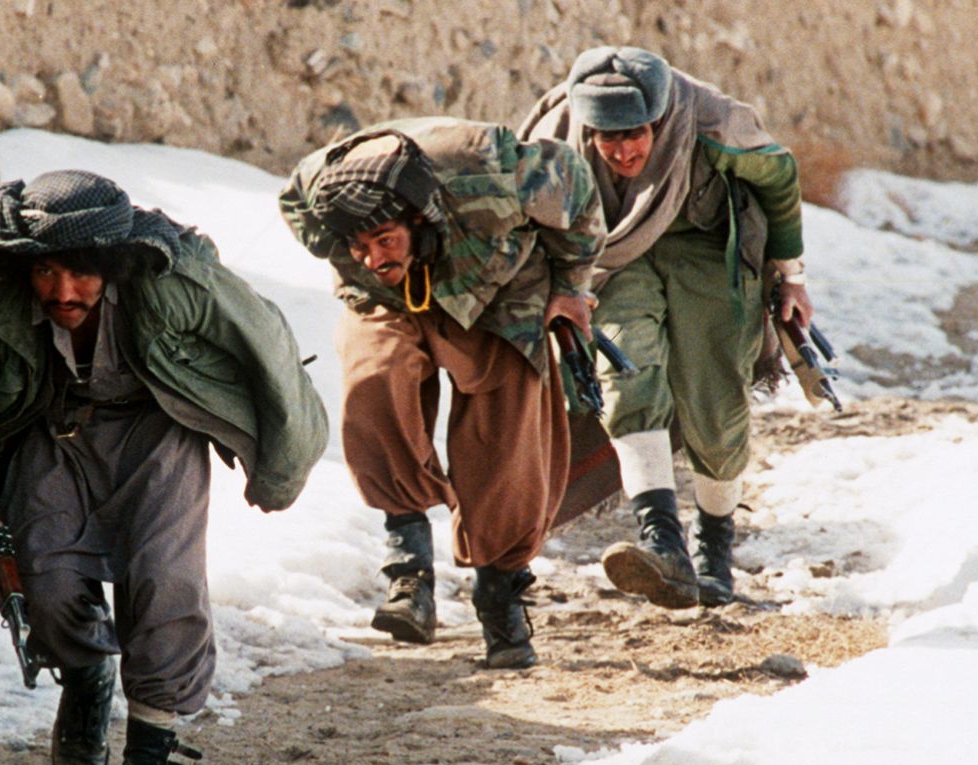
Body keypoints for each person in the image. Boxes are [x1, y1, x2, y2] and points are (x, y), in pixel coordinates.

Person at [0, 171, 328, 765]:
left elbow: (267, 346)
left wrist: (281, 468)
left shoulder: (174, 281)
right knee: (46, 579)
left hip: (159, 432)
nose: (64, 293)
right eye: (48, 272)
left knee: (163, 583)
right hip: (51, 434)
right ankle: (87, 672)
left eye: (83, 274)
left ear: (112, 265)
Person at [279, 117, 606, 669]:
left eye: (385, 239)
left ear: (419, 216)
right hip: (391, 301)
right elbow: (300, 212)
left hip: (500, 288)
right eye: (359, 245)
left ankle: (501, 595)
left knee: (509, 438)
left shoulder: (492, 169)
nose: (373, 255)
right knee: (372, 376)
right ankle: (408, 569)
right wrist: (362, 263)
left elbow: (576, 188)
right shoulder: (317, 191)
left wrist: (571, 288)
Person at [519, 46, 817, 608]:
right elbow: (528, 215)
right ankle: (664, 544)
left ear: (658, 120)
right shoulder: (554, 139)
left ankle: (714, 546)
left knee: (715, 399)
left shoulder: (710, 122)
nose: (622, 150)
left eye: (635, 134)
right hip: (613, 259)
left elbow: (779, 177)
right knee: (626, 375)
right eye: (607, 138)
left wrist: (792, 276)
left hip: (705, 246)